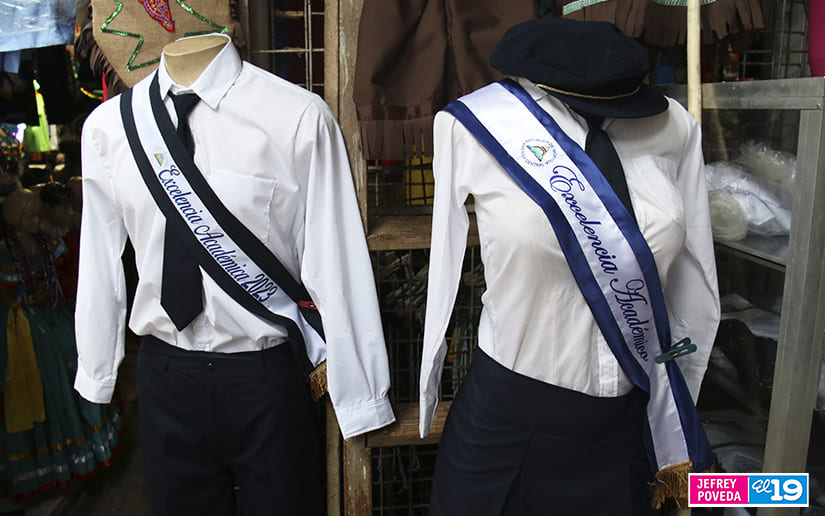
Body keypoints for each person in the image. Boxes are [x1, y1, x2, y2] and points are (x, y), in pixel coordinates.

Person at [75, 33, 395, 515]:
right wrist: (98, 367)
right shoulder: (110, 128)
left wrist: (362, 395)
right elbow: (99, 258)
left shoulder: (296, 116)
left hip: (267, 378)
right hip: (165, 377)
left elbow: (337, 258)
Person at [419, 18, 720, 515]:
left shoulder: (676, 127)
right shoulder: (472, 125)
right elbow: (444, 264)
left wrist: (678, 404)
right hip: (508, 427)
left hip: (627, 428)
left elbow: (695, 279)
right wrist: (429, 377)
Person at [0, 188, 119, 499]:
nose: (35, 221)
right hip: (25, 329)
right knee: (44, 386)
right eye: (29, 216)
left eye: (37, 215)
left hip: (54, 318)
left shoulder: (46, 244)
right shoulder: (7, 254)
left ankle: (81, 449)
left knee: (70, 375)